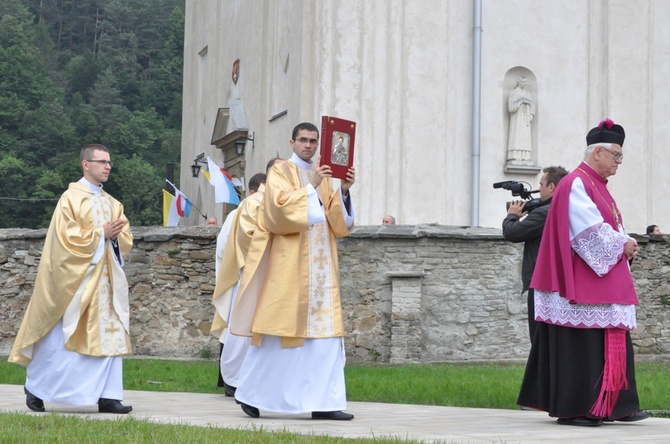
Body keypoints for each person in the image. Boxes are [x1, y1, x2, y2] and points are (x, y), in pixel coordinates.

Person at [517, 119, 649, 426]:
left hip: (597, 276)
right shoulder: (577, 182)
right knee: (582, 347)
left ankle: (617, 405)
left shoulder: (597, 186)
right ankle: (579, 407)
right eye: (616, 154)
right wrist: (621, 246)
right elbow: (588, 231)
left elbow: (610, 227)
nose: (619, 162)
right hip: (577, 281)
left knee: (608, 341)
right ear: (598, 152)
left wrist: (624, 244)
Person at [231, 122, 356, 420]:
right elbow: (277, 212)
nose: (309, 145)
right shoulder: (280, 172)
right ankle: (250, 395)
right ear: (292, 141)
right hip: (289, 267)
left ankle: (325, 403)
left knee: (324, 339)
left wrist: (345, 191)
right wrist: (310, 185)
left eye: (313, 141)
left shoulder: (323, 175)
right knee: (278, 333)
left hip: (321, 270)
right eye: (303, 140)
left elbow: (336, 221)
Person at [9, 143, 133, 414]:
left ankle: (108, 395)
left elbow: (125, 238)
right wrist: (101, 234)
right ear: (85, 164)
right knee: (59, 339)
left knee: (110, 336)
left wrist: (114, 237)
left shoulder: (113, 203)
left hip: (106, 282)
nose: (107, 166)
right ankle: (37, 387)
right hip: (76, 282)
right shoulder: (71, 198)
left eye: (109, 162)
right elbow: (66, 239)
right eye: (101, 162)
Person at [211, 165, 278, 395]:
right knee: (238, 331)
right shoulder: (240, 212)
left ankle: (251, 381)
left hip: (261, 278)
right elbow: (224, 248)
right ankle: (231, 381)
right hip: (243, 276)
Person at [502, 166, 567, 342]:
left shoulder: (545, 212)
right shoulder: (563, 207)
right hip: (557, 282)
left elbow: (513, 233)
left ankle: (540, 369)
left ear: (551, 186)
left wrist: (512, 216)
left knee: (539, 338)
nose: (540, 188)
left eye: (541, 184)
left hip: (541, 283)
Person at [507, 76, 535, 164]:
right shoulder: (513, 93)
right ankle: (515, 156)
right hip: (517, 120)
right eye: (523, 82)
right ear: (519, 82)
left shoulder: (528, 93)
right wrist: (521, 101)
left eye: (526, 82)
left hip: (526, 120)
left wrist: (530, 111)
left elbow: (532, 105)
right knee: (517, 134)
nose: (525, 84)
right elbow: (511, 107)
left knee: (525, 136)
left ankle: (525, 156)